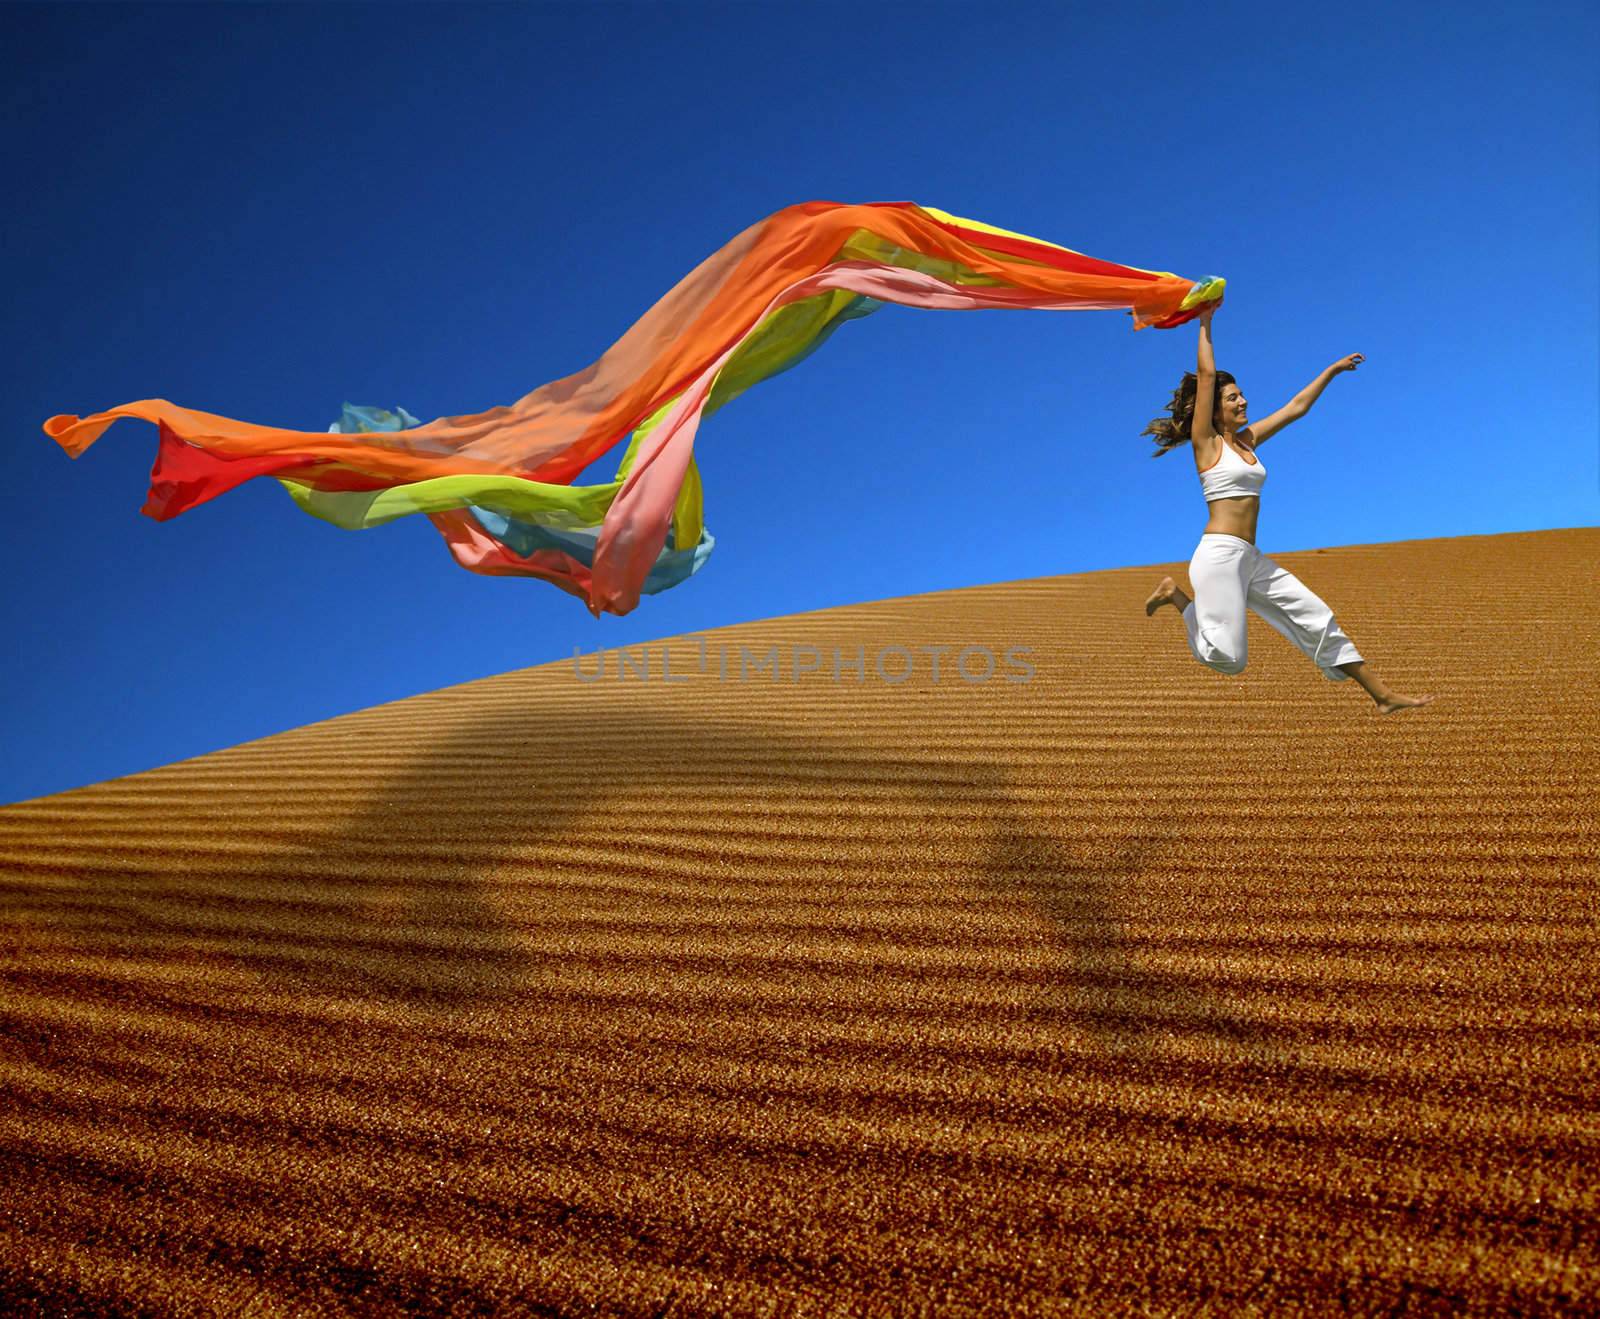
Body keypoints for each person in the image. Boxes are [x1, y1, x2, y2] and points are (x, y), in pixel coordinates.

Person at [1140, 299, 1435, 714]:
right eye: (1232, 399)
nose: (1242, 402)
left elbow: (1296, 408)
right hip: (1219, 556)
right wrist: (1205, 322)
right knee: (1229, 660)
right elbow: (1207, 374)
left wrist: (1332, 371)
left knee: (1314, 613)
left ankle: (1383, 696)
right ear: (1214, 408)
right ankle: (1176, 598)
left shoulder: (1248, 441)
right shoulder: (1204, 445)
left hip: (1251, 557)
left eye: (1241, 395)